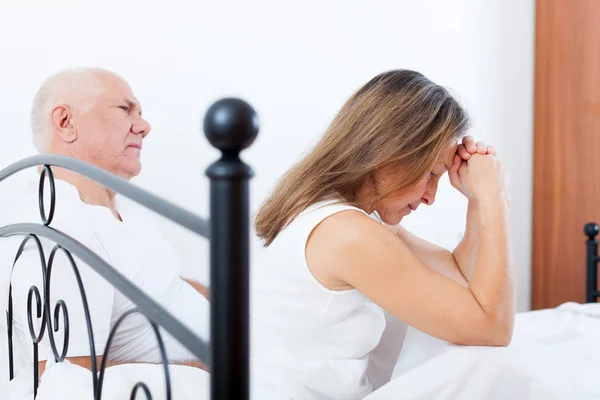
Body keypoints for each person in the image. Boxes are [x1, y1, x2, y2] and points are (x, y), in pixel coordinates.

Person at [251, 69, 514, 399]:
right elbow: (494, 328)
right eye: (432, 173)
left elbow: (459, 276)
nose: (431, 196)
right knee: (493, 367)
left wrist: (477, 201)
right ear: (392, 153)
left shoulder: (338, 215)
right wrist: (496, 199)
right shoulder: (347, 234)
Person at [0, 67, 210, 380]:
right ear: (65, 123)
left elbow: (163, 286)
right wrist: (215, 368)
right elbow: (68, 379)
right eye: (125, 109)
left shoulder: (117, 208)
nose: (144, 125)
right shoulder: (58, 230)